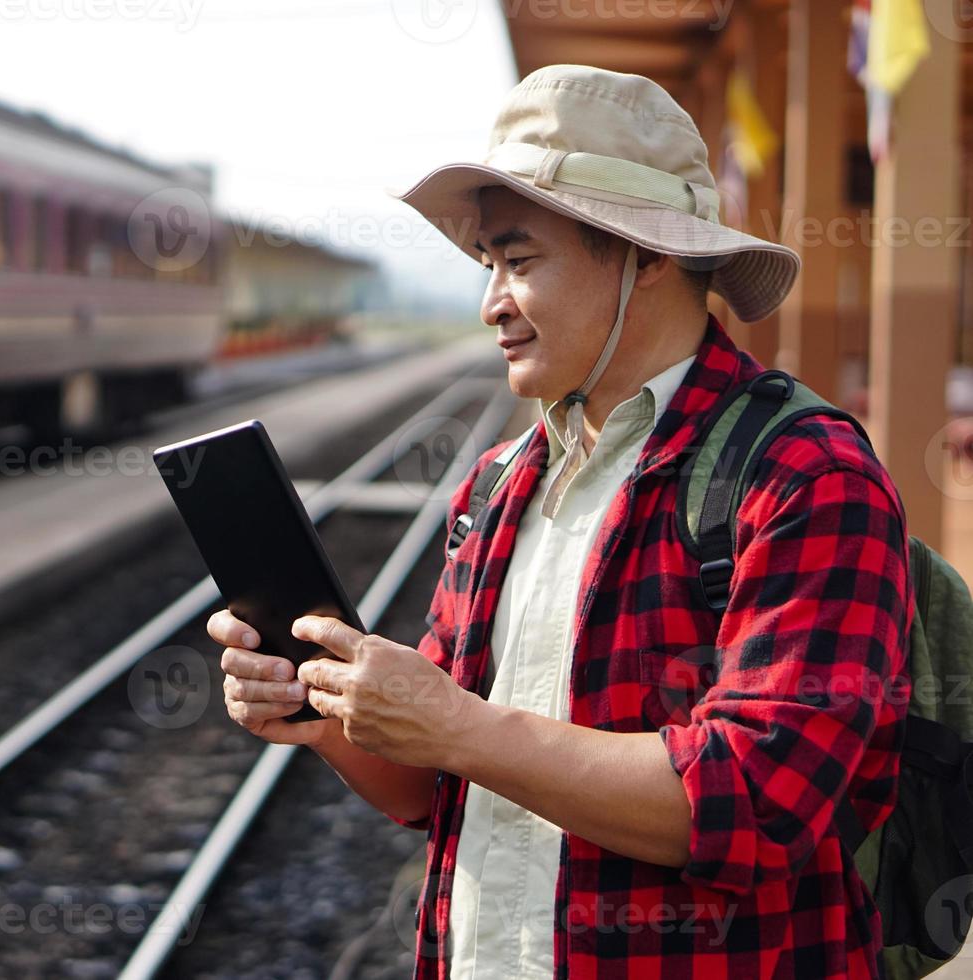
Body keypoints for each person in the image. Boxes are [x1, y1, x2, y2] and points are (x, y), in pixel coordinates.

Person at [207, 64, 912, 979]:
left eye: (520, 260)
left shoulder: (803, 473)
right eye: (489, 264)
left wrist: (455, 724)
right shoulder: (500, 483)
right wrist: (330, 711)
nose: (491, 301)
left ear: (645, 254)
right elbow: (436, 791)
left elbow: (756, 799)